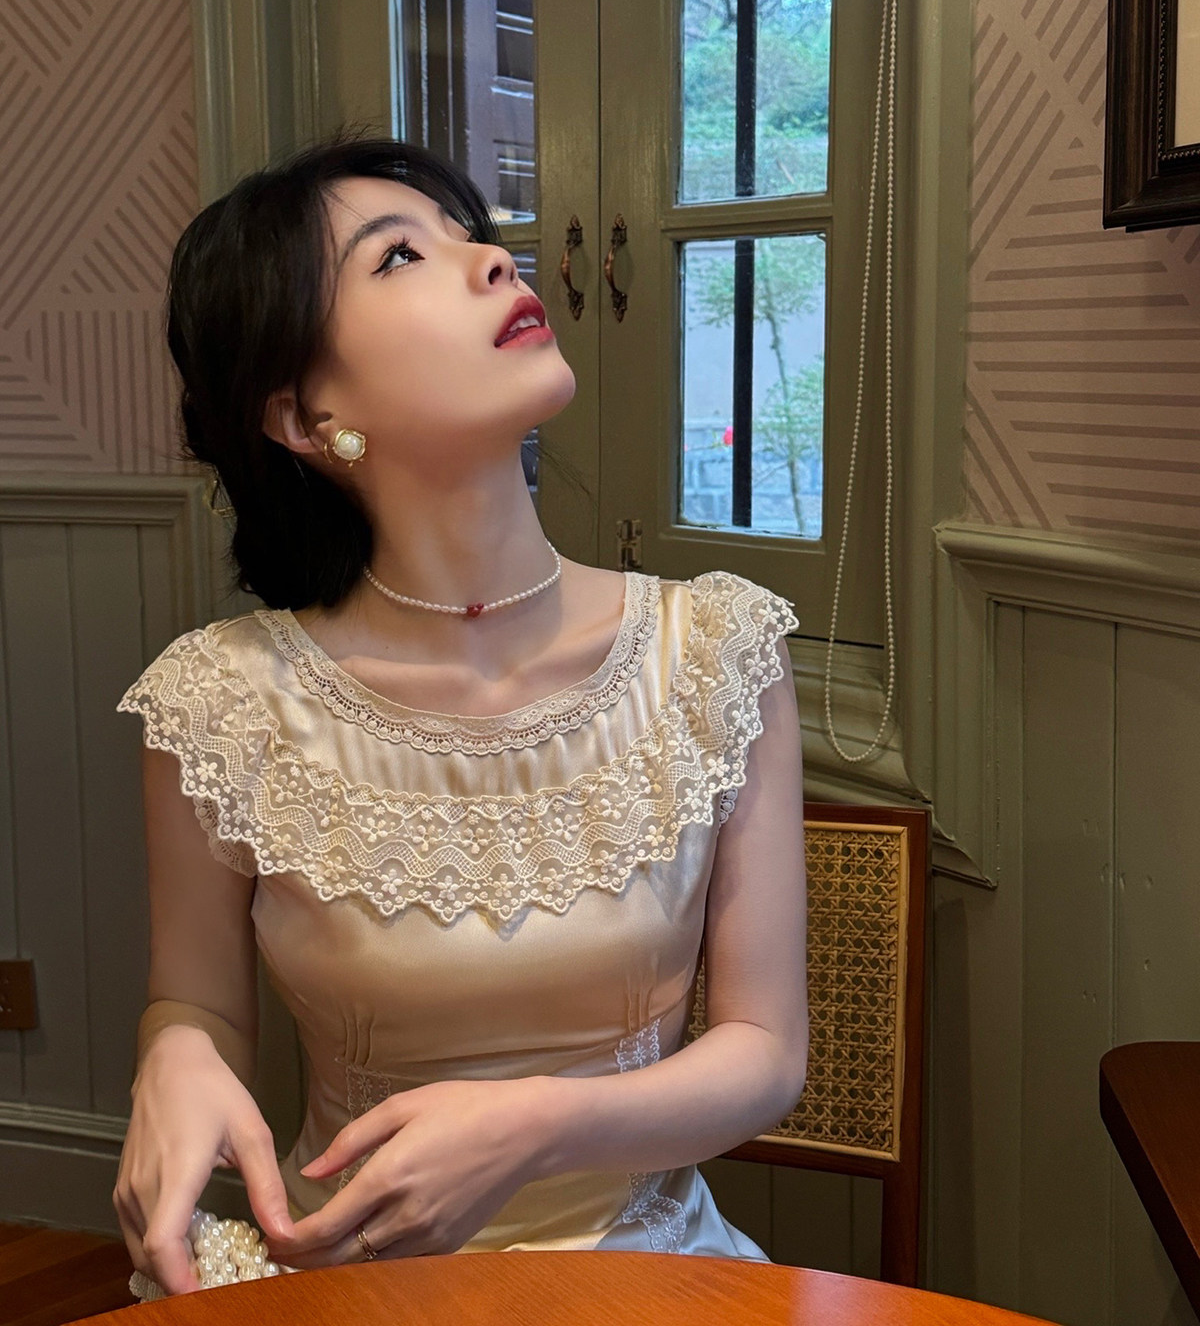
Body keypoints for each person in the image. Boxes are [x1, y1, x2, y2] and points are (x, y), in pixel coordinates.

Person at [111, 134, 809, 1295]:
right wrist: (176, 1054)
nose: (494, 259)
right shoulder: (219, 700)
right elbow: (195, 1000)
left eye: (472, 234)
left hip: (647, 1278)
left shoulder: (719, 651)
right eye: (399, 257)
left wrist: (535, 1126)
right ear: (305, 416)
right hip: (347, 1279)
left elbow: (765, 1052)